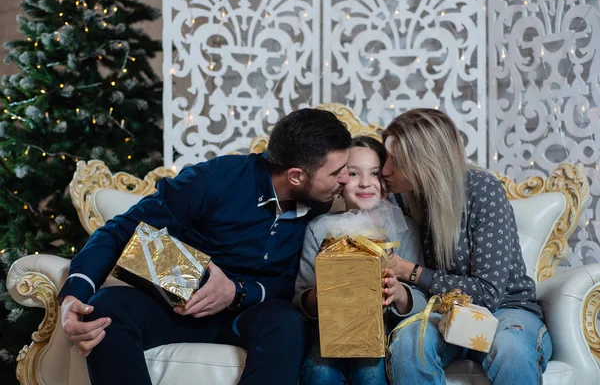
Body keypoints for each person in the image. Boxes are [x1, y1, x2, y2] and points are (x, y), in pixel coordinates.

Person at [58, 108, 353, 385]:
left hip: (250, 316)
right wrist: (74, 295)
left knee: (287, 323)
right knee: (107, 307)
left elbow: (291, 285)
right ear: (296, 176)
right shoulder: (212, 180)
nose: (345, 179)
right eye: (336, 171)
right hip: (179, 309)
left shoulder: (323, 208)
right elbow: (119, 231)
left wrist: (236, 291)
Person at [382, 109, 552, 384]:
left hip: (505, 310)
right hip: (441, 312)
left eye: (397, 161)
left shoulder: (482, 190)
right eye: (386, 157)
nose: (385, 169)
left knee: (512, 350)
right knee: (407, 345)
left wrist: (410, 271)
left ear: (427, 162)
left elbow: (487, 293)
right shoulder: (400, 198)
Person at [293, 136, 427, 385]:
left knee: (371, 373)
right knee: (319, 371)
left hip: (382, 332)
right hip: (328, 333)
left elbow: (421, 299)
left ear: (386, 179)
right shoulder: (320, 228)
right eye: (354, 174)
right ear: (339, 180)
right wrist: (317, 295)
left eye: (375, 173)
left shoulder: (403, 228)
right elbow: (300, 297)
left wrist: (398, 293)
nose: (365, 183)